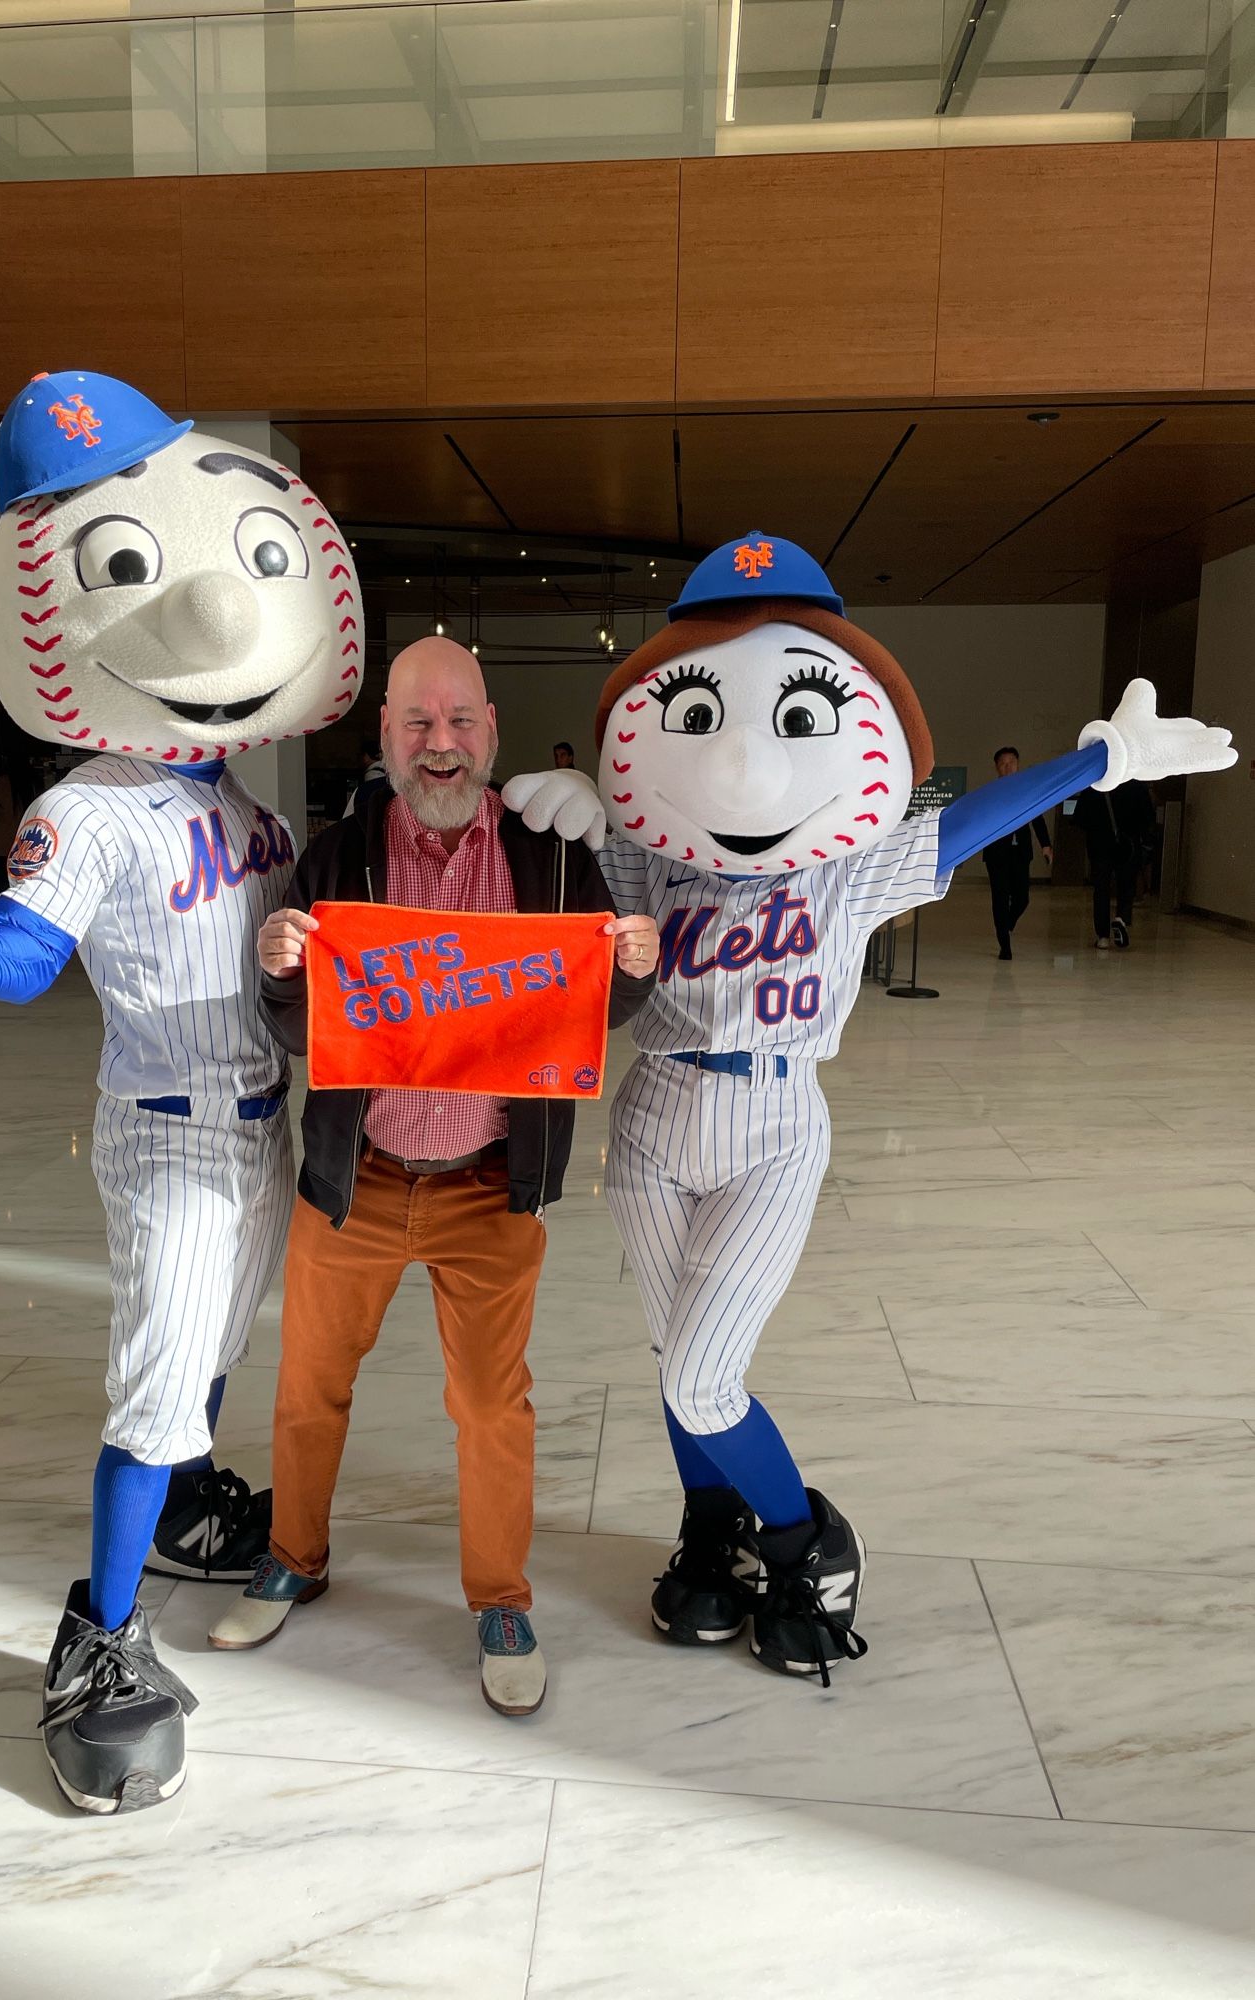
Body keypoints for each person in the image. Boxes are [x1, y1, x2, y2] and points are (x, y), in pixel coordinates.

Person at [504, 533, 1235, 1685]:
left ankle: (806, 1542)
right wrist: (556, 815)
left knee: (705, 1371)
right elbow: (560, 909)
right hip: (651, 1115)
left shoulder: (844, 869)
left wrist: (1099, 761)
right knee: (675, 1356)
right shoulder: (652, 858)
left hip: (775, 1119)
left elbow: (967, 825)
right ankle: (714, 1529)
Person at [0, 371, 366, 1816]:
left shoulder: (249, 812)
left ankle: (180, 1501)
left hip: (261, 1124)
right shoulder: (87, 807)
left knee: (220, 1342)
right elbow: (18, 958)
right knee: (157, 1374)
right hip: (170, 1128)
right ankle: (97, 1639)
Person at [206, 637, 658, 1716]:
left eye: (459, 722)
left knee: (493, 1403)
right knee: (310, 1384)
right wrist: (276, 970)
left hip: (488, 1182)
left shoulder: (550, 859)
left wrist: (634, 966)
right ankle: (294, 1555)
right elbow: (300, 1025)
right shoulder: (337, 856)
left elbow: (593, 1012)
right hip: (354, 1178)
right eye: (418, 722)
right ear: (386, 735)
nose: (440, 743)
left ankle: (500, 1595)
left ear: (491, 730)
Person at [982, 745, 1052, 960]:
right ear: (997, 768)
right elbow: (980, 822)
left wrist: (1046, 845)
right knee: (1000, 898)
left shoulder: (1026, 790)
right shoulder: (990, 793)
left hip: (1020, 852)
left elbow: (1037, 819)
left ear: (1017, 764)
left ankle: (1008, 924)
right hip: (996, 854)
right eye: (1003, 764)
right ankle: (1004, 944)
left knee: (1022, 898)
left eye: (1011, 762)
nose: (1007, 766)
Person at [1074, 775, 1155, 948]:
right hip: (1128, 845)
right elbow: (1148, 817)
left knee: (1101, 889)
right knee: (1126, 885)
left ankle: (1102, 936)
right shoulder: (1136, 784)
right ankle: (1121, 918)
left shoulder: (1095, 784)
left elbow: (1080, 818)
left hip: (1099, 845)